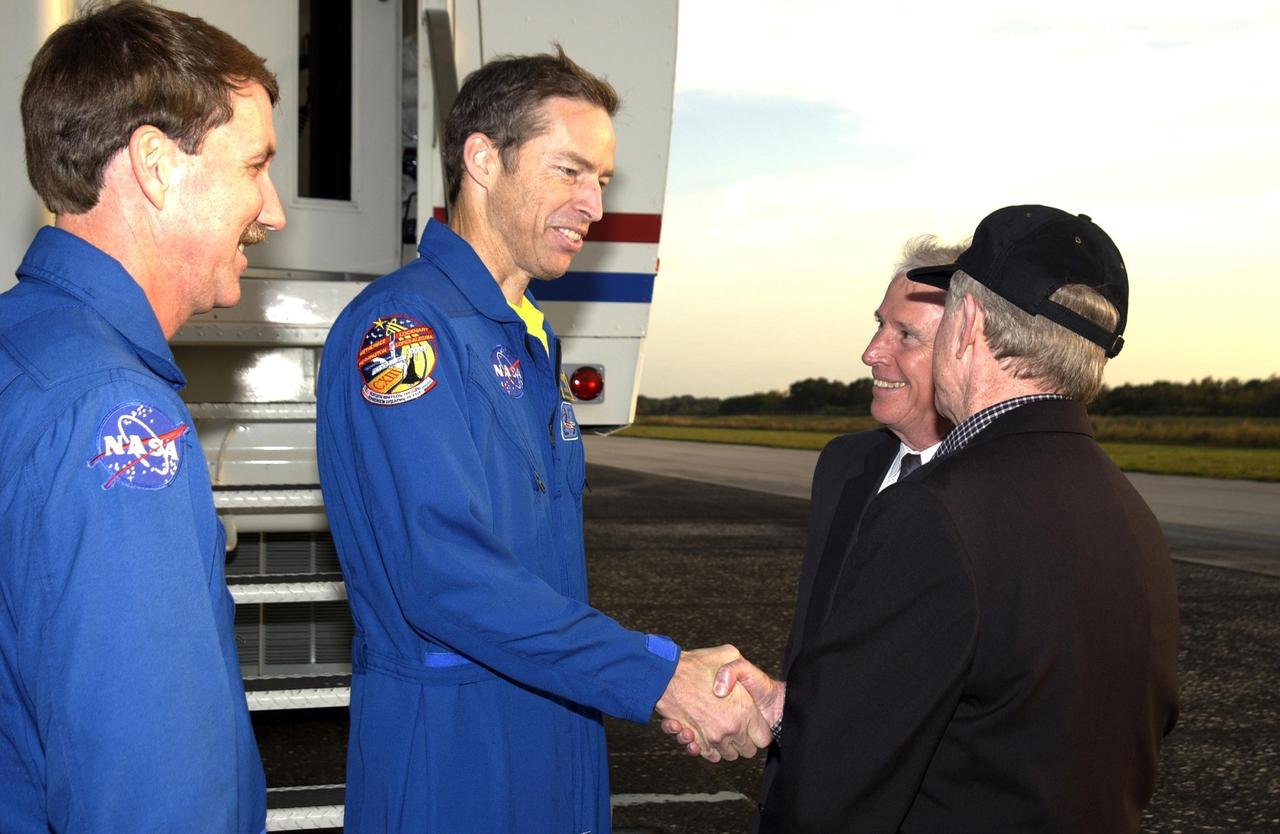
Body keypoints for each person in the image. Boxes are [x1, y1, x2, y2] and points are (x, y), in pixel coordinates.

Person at [315, 48, 768, 833]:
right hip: (454, 745)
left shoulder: (529, 335)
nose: (594, 205)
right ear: (483, 159)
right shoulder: (403, 331)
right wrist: (658, 677)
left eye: (603, 180)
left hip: (557, 712)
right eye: (570, 171)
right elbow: (443, 574)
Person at [693, 205, 1180, 832]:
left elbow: (839, 782)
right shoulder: (1130, 513)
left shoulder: (936, 508)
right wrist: (797, 709)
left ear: (966, 322)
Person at [0, 3, 285, 832]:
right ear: (156, 165)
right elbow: (154, 787)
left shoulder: (25, 348)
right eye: (255, 165)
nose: (273, 211)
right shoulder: (114, 413)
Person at [739, 235, 966, 820]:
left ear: (964, 352)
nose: (871, 353)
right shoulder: (845, 463)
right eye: (878, 326)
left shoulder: (992, 495)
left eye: (905, 335)